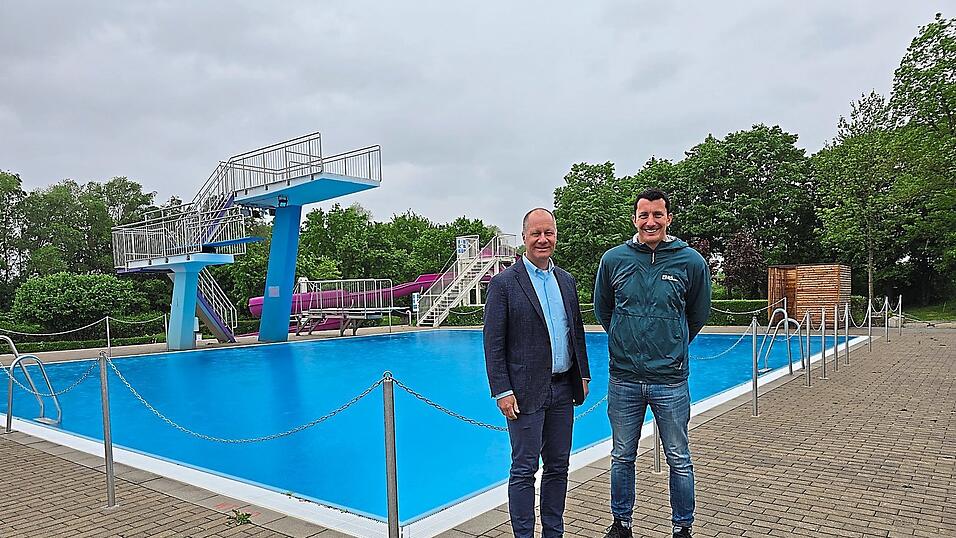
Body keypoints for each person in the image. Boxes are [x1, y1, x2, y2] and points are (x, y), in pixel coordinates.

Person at [593, 189, 712, 538]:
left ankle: (682, 527)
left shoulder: (690, 262)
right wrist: (623, 338)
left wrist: (672, 343)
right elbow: (604, 310)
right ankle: (621, 524)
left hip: (670, 380)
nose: (650, 222)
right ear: (635, 220)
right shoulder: (613, 259)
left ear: (668, 218)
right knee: (622, 456)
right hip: (624, 378)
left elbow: (698, 313)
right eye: (644, 215)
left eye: (657, 215)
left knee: (679, 458)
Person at [483, 208, 591, 538]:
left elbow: (576, 330)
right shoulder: (504, 284)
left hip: (562, 390)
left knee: (558, 468)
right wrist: (502, 390)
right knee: (524, 470)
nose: (543, 240)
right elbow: (493, 342)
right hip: (524, 393)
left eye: (549, 233)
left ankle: (553, 534)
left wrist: (582, 375)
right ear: (525, 237)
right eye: (536, 234)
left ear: (556, 235)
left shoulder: (566, 280)